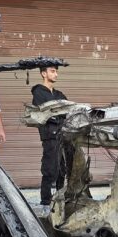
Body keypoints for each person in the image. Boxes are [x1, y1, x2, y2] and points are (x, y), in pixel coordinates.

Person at [31, 64, 73, 206]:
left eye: (56, 71)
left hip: (63, 135)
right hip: (50, 136)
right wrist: (57, 114)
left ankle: (60, 197)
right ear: (44, 74)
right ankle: (45, 201)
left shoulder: (58, 94)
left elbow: (67, 109)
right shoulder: (38, 92)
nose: (56, 74)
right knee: (50, 169)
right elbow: (45, 112)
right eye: (53, 71)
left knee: (62, 170)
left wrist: (59, 114)